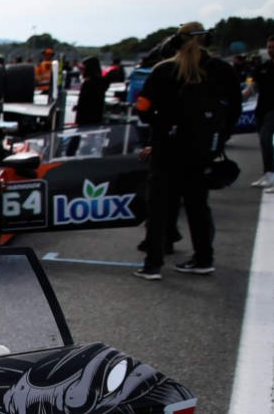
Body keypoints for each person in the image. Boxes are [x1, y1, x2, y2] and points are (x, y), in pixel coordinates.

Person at [134, 22, 242, 279]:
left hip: (167, 147)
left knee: (159, 206)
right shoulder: (222, 69)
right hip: (202, 149)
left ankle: (153, 264)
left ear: (176, 41)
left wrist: (159, 124)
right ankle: (204, 258)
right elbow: (235, 109)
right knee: (198, 205)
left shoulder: (164, 70)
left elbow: (142, 108)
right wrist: (218, 138)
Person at [251, 35, 274, 189]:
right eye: (269, 47)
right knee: (263, 142)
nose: (271, 50)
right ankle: (267, 173)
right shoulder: (263, 67)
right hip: (262, 109)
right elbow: (253, 86)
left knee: (266, 139)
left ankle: (271, 174)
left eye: (273, 47)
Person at [75, 56, 109, 126]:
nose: (81, 71)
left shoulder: (92, 82)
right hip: (92, 116)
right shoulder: (100, 81)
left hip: (88, 117)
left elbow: (88, 99)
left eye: (83, 69)